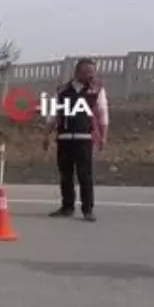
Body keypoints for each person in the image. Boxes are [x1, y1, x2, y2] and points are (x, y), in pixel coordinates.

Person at [43, 58, 109, 222]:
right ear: (77, 72)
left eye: (92, 72)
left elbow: (103, 113)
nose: (91, 75)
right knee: (66, 175)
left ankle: (88, 209)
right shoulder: (62, 90)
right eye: (87, 71)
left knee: (85, 175)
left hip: (84, 138)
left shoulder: (97, 90)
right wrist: (46, 135)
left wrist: (103, 136)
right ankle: (67, 207)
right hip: (64, 138)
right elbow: (53, 115)